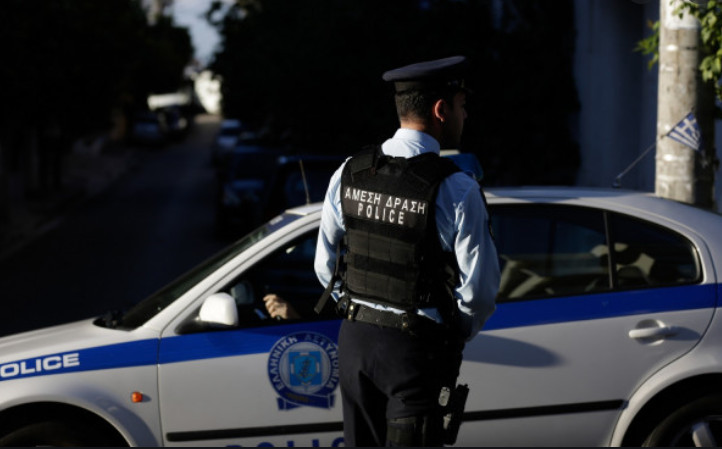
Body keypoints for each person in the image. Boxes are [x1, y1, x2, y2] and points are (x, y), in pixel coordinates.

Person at [313, 55, 500, 446]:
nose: (465, 115)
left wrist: (358, 304)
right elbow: (480, 292)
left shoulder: (349, 171)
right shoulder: (457, 188)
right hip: (414, 351)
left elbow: (325, 266)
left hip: (355, 341)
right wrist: (454, 331)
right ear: (440, 110)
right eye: (462, 105)